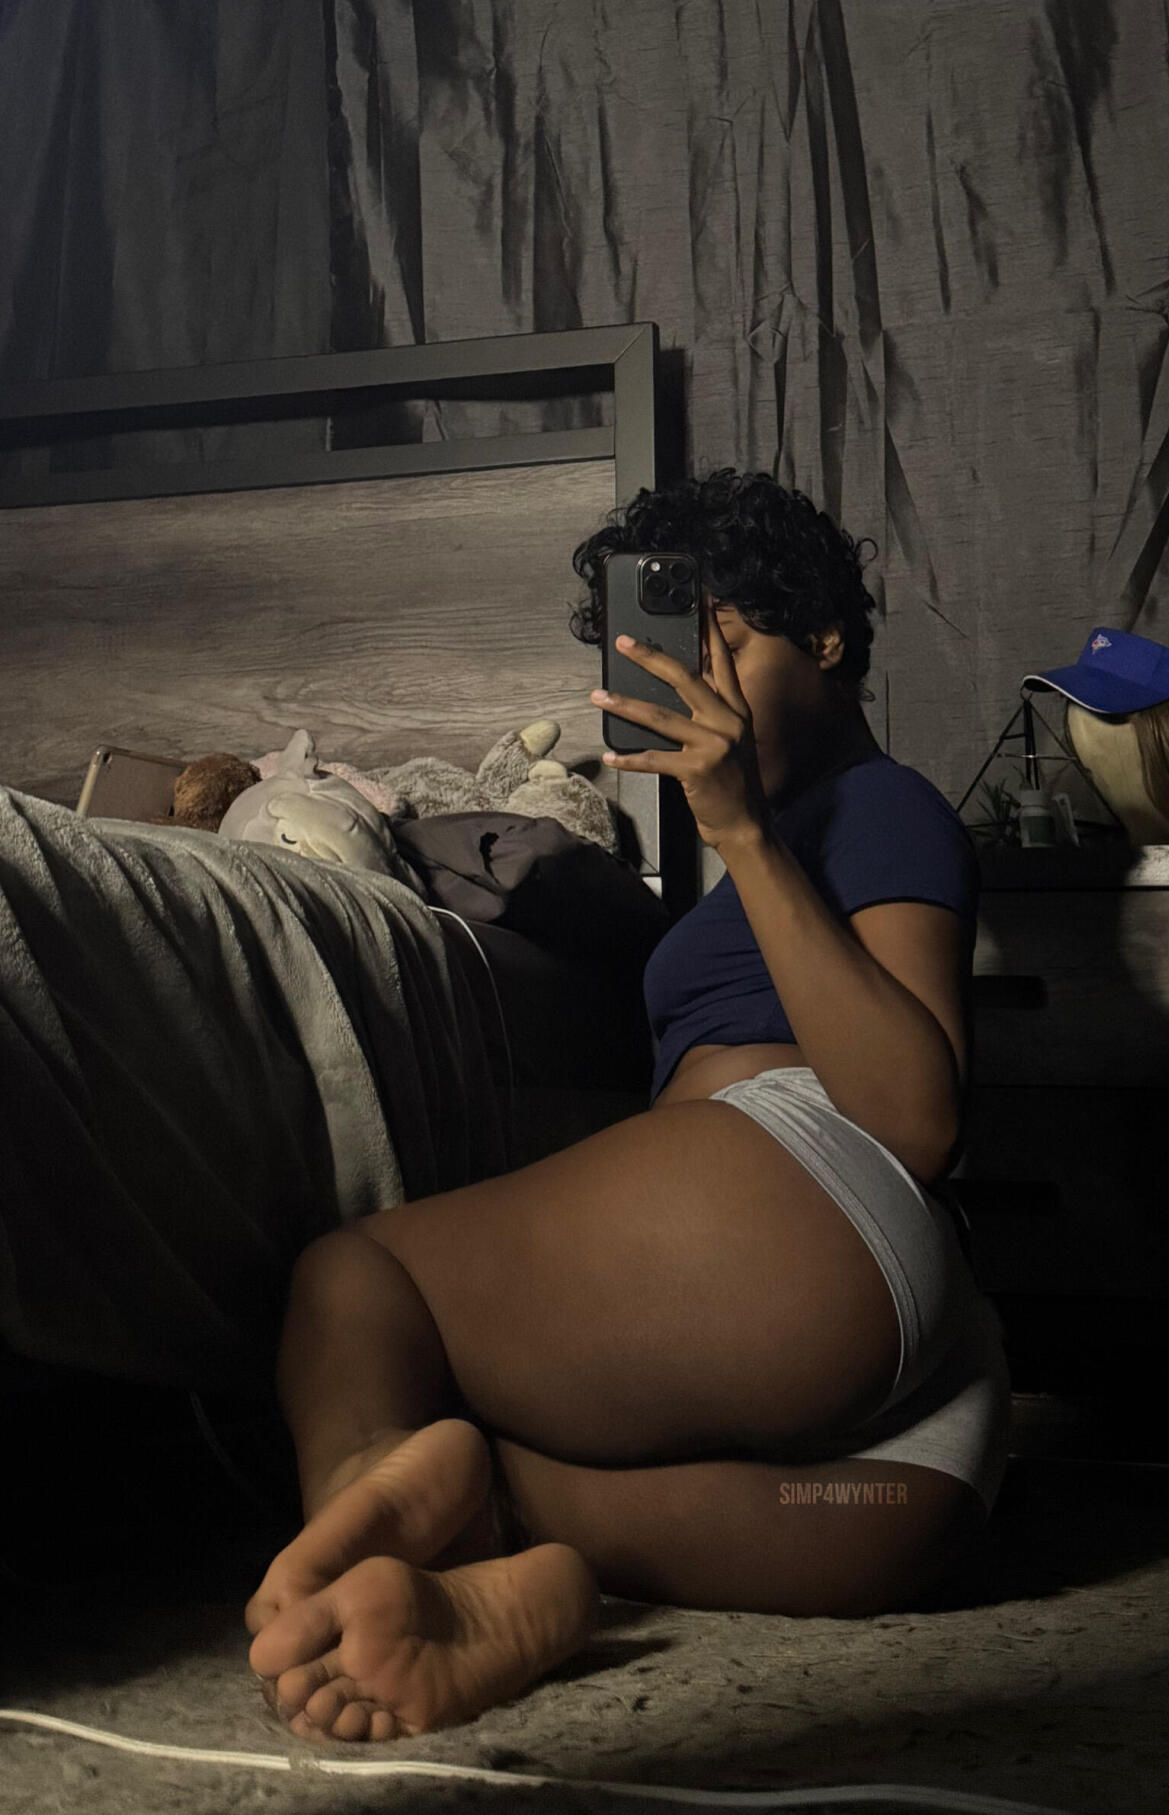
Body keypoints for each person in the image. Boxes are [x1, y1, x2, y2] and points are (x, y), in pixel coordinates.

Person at [244, 470, 1011, 1742]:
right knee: (861, 1531)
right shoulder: (788, 845)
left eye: (729, 642)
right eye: (674, 656)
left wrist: (742, 832)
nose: (704, 687)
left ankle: (358, 1532)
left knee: (358, 1281)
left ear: (826, 639)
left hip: (802, 1216)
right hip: (891, 1445)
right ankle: (502, 1564)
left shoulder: (878, 806)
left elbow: (917, 1123)